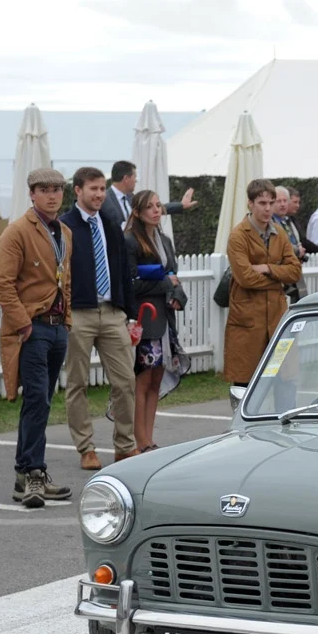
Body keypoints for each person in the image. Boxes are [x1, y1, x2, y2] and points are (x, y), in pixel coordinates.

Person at [0, 167, 73, 508]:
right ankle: (32, 472)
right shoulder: (17, 231)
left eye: (57, 189)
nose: (52, 195)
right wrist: (24, 325)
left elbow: (65, 279)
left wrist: (66, 320)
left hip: (56, 327)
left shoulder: (64, 231)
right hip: (33, 328)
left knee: (42, 401)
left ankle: (26, 474)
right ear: (32, 194)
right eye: (44, 189)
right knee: (37, 399)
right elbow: (1, 285)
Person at [60, 166, 139, 470]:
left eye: (102, 189)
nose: (99, 194)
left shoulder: (110, 224)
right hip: (78, 312)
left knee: (125, 381)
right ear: (78, 190)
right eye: (93, 188)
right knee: (77, 383)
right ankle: (86, 448)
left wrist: (129, 314)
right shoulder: (64, 226)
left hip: (112, 312)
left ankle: (125, 446)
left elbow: (123, 270)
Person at [223, 178, 303, 386]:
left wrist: (268, 268)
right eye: (262, 203)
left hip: (277, 316)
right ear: (250, 204)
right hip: (248, 319)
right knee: (246, 384)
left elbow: (295, 271)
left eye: (271, 203)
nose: (268, 208)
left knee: (285, 382)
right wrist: (278, 279)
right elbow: (245, 278)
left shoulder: (280, 233)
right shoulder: (238, 236)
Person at [125, 189, 185, 453]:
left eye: (158, 205)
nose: (156, 210)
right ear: (137, 212)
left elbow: (174, 276)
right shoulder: (130, 240)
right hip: (144, 317)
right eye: (150, 206)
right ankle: (139, 441)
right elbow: (130, 284)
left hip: (164, 318)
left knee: (156, 380)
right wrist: (165, 284)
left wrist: (178, 295)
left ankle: (149, 439)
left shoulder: (165, 240)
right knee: (143, 380)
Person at [100, 160, 197, 225]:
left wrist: (181, 205)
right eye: (134, 177)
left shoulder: (131, 197)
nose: (136, 181)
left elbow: (153, 209)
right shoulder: (104, 200)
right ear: (126, 178)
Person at [273, 186, 308, 303]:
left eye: (285, 201)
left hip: (294, 271)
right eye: (278, 201)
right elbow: (278, 244)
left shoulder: (287, 221)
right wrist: (297, 250)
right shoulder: (271, 223)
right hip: (282, 275)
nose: (282, 204)